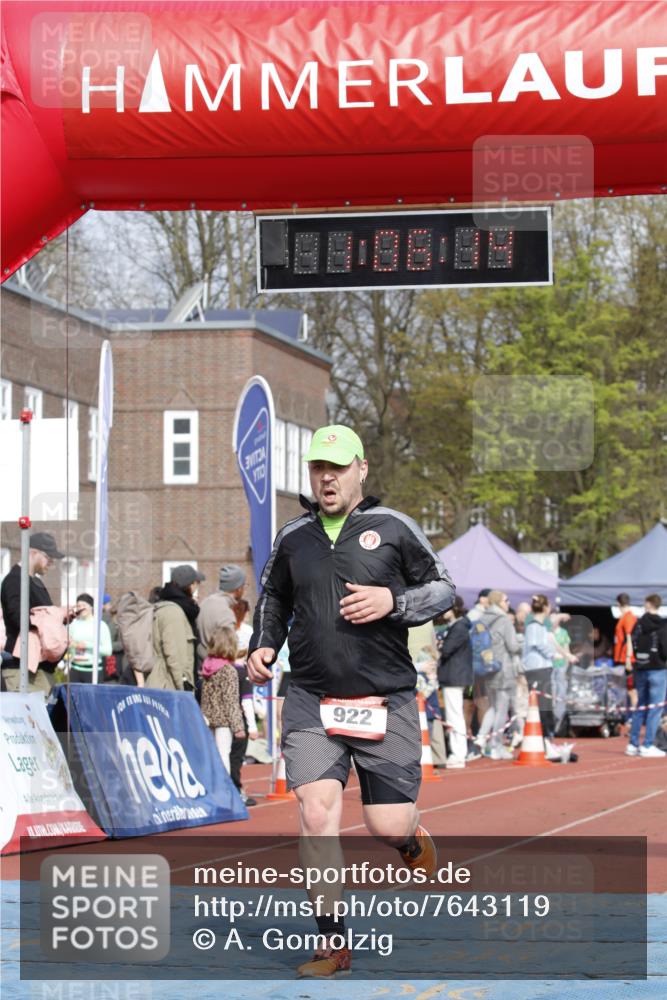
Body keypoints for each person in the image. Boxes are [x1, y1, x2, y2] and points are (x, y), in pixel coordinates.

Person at [247, 424, 455, 978]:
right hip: (313, 699)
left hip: (383, 697)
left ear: (362, 469)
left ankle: (408, 839)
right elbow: (273, 596)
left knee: (385, 824)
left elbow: (443, 589)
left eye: (337, 468)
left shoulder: (393, 528)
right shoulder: (293, 536)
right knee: (316, 817)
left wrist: (394, 600)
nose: (327, 478)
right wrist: (263, 644)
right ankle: (332, 945)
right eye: (318, 468)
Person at [1, 531, 69, 694]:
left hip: (39, 670)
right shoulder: (15, 580)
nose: (51, 562)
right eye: (48, 557)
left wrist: (62, 617)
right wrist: (50, 619)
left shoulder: (36, 582)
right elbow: (19, 618)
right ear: (33, 552)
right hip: (23, 670)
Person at [480, 591, 523, 759]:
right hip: (504, 669)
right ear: (498, 602)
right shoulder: (504, 619)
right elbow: (512, 646)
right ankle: (496, 745)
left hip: (487, 667)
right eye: (506, 600)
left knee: (493, 706)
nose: (508, 603)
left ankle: (484, 740)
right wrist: (521, 643)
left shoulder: (483, 618)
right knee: (501, 709)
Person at [148, 564, 204, 691]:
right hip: (170, 687)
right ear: (190, 585)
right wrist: (183, 687)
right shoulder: (174, 612)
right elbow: (174, 654)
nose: (196, 588)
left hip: (168, 683)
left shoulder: (173, 607)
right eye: (196, 583)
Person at [200, 626, 246, 774]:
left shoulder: (207, 667)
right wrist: (238, 726)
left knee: (210, 755)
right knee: (223, 754)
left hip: (207, 717)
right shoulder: (228, 670)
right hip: (224, 721)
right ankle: (224, 789)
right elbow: (231, 700)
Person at [626, 594, 667, 758]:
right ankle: (648, 744)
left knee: (640, 707)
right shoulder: (663, 625)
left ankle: (633, 743)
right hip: (658, 668)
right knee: (655, 708)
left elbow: (632, 642)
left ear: (648, 604)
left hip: (641, 668)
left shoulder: (638, 624)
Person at [437, 596, 473, 768]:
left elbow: (446, 650)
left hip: (454, 676)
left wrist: (440, 644)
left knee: (454, 715)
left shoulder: (459, 627)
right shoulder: (459, 626)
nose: (444, 612)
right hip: (454, 675)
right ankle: (459, 753)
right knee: (455, 714)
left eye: (447, 608)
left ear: (455, 609)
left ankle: (458, 754)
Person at [522, 594, 556, 739]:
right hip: (537, 669)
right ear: (546, 607)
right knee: (541, 704)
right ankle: (543, 735)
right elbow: (536, 643)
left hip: (543, 668)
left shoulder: (540, 626)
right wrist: (552, 653)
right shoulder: (534, 626)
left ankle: (547, 735)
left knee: (546, 702)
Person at [66, 593, 113, 682]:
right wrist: (70, 645)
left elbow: (108, 651)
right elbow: (68, 644)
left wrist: (87, 645)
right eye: (79, 606)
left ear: (91, 607)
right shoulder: (73, 624)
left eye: (84, 605)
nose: (81, 608)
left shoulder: (101, 625)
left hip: (93, 672)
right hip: (75, 670)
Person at [614, 593, 638, 711]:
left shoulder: (628, 618)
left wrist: (628, 658)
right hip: (621, 659)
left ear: (618, 604)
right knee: (624, 689)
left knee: (631, 689)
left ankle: (634, 716)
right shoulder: (624, 617)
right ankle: (627, 715)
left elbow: (630, 638)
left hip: (626, 659)